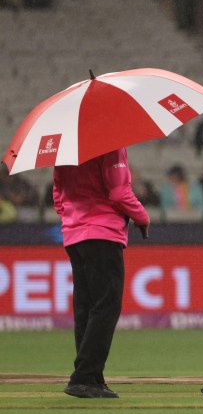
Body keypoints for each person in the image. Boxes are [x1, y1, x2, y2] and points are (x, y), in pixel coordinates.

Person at [54, 147, 150, 398]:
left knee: (85, 308)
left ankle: (92, 378)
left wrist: (73, 220)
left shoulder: (66, 150)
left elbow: (58, 196)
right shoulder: (110, 144)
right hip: (103, 232)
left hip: (74, 235)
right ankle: (84, 377)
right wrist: (141, 216)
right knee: (106, 306)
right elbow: (119, 192)